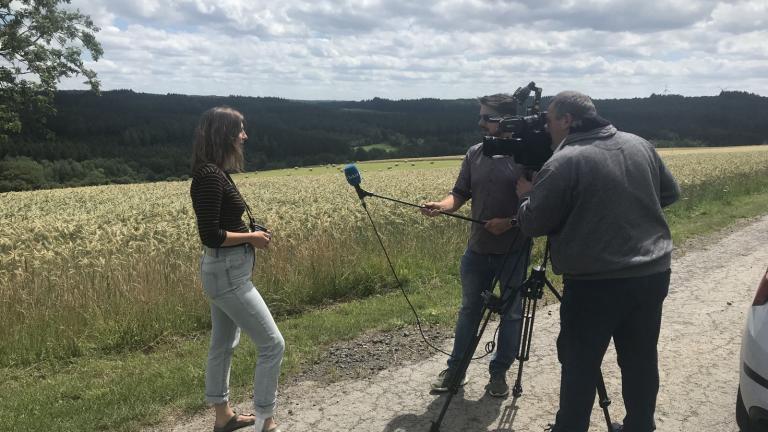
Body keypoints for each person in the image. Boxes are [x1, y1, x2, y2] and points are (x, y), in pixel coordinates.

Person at [516, 91, 680, 432]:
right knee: (640, 359)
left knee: (580, 363)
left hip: (594, 283)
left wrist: (525, 196)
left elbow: (533, 224)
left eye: (549, 120)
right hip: (651, 273)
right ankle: (640, 426)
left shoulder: (563, 162)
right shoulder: (640, 145)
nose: (546, 129)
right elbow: (670, 194)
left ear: (566, 120)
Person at [420, 93, 529, 398]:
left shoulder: (526, 156)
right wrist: (442, 206)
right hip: (477, 251)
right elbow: (459, 193)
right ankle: (456, 371)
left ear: (506, 120)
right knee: (469, 310)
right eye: (480, 116)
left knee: (510, 313)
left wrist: (510, 222)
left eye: (486, 117)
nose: (480, 122)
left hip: (514, 251)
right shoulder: (475, 154)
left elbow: (539, 204)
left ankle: (499, 373)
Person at [190, 106, 284, 432]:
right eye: (240, 130)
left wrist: (249, 230)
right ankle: (265, 421)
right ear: (224, 134)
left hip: (225, 272)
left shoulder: (216, 172)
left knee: (223, 344)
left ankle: (224, 417)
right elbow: (211, 235)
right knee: (273, 344)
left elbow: (221, 224)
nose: (245, 136)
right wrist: (252, 238)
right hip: (228, 274)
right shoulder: (209, 177)